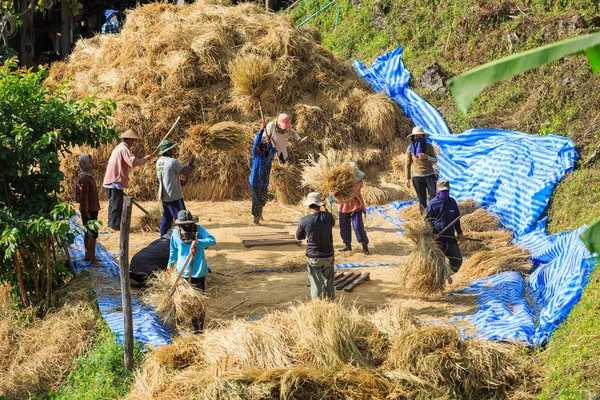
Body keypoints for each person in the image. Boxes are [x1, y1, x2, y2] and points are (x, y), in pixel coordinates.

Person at [168, 210, 216, 332]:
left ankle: (198, 329)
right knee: (181, 300)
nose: (187, 225)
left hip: (198, 270)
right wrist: (170, 265)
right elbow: (173, 251)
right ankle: (179, 325)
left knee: (198, 302)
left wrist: (198, 242)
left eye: (189, 223)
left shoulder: (199, 231)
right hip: (182, 272)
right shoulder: (175, 233)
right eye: (185, 223)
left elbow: (212, 240)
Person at [103, 129, 152, 231]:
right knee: (117, 205)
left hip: (111, 180)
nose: (134, 143)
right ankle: (116, 227)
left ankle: (112, 225)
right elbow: (132, 162)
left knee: (113, 205)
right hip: (115, 181)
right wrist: (145, 159)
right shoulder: (124, 149)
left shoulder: (119, 148)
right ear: (129, 139)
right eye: (133, 140)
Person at [296, 192, 336, 300]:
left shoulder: (304, 220)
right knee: (329, 280)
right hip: (328, 255)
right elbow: (332, 222)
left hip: (313, 256)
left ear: (309, 206)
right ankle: (331, 301)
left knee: (315, 282)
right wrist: (326, 209)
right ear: (320, 205)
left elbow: (299, 237)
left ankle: (318, 304)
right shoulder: (328, 216)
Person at [425, 180, 465, 284]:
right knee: (438, 263)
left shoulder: (452, 202)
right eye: (442, 191)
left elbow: (456, 218)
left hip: (450, 237)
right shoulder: (432, 204)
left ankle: (447, 272)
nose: (445, 193)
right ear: (437, 190)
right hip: (438, 239)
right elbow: (427, 222)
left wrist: (460, 233)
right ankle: (439, 285)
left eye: (446, 191)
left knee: (458, 260)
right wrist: (432, 233)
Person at [156, 140, 195, 236]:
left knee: (166, 221)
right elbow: (186, 171)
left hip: (163, 196)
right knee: (184, 219)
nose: (175, 150)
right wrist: (191, 162)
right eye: (173, 148)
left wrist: (180, 182)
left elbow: (166, 177)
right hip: (174, 196)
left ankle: (163, 240)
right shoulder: (172, 161)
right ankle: (188, 240)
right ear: (168, 151)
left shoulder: (159, 161)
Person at [337, 162, 370, 255]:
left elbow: (351, 192)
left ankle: (364, 246)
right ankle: (347, 246)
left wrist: (339, 191)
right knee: (344, 227)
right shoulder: (339, 182)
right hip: (343, 208)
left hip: (355, 207)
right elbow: (334, 192)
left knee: (358, 227)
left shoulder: (358, 183)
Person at [74, 154, 101, 267]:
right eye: (90, 161)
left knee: (87, 233)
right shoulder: (85, 178)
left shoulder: (86, 175)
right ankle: (93, 260)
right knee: (92, 234)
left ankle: (88, 255)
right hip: (90, 209)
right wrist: (86, 213)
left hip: (89, 209)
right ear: (86, 163)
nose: (93, 162)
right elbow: (83, 198)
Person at [405, 126, 438, 213]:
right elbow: (407, 164)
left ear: (423, 137)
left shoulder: (429, 146)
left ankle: (434, 214)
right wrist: (407, 179)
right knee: (421, 199)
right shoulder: (410, 149)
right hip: (417, 177)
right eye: (416, 136)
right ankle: (425, 217)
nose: (418, 138)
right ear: (413, 137)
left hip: (430, 176)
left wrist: (427, 157)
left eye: (420, 136)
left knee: (434, 197)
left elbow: (435, 160)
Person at [249, 123, 276, 225]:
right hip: (255, 182)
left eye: (266, 148)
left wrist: (270, 140)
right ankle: (256, 220)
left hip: (264, 183)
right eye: (263, 147)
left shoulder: (269, 157)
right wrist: (261, 131)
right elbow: (256, 143)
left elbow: (273, 149)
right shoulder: (256, 155)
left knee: (263, 200)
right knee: (257, 201)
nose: (264, 149)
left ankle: (259, 214)